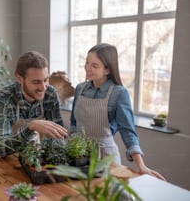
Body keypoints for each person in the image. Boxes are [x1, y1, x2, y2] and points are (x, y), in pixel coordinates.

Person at [70, 43, 166, 181]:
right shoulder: (80, 89)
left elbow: (128, 131)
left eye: (94, 66)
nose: (87, 68)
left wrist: (141, 166)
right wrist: (72, 146)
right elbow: (74, 122)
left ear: (107, 70)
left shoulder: (119, 93)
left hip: (106, 159)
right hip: (79, 157)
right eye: (87, 63)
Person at [0, 51, 68, 156]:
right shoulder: (3, 99)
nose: (43, 87)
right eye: (36, 82)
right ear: (20, 79)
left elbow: (59, 136)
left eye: (45, 80)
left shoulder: (50, 94)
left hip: (34, 159)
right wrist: (30, 127)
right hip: (7, 161)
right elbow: (1, 148)